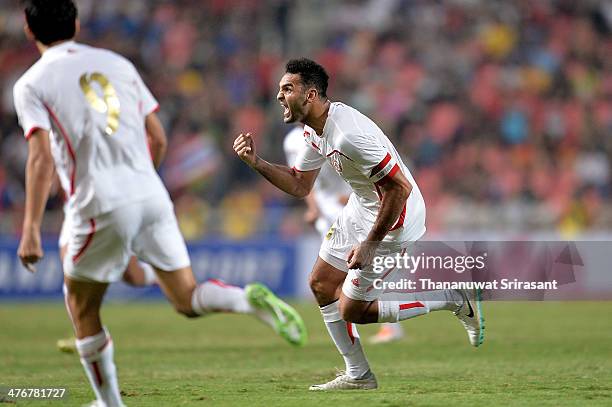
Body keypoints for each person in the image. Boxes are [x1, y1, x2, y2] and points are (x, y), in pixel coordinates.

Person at [14, 2, 306, 406]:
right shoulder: (117, 63)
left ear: (29, 30)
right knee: (186, 298)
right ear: (77, 24)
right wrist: (138, 187)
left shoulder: (31, 83)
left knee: (81, 309)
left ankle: (109, 403)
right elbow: (159, 137)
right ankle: (247, 300)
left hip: (99, 201)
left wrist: (29, 229)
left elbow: (41, 157)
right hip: (151, 194)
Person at [234, 58, 484, 391]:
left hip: (397, 218)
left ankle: (453, 298)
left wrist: (371, 244)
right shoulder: (313, 130)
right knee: (321, 284)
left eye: (287, 89)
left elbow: (400, 188)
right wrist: (256, 162)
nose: (279, 96)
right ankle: (358, 375)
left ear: (310, 95)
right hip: (363, 207)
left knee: (354, 309)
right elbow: (299, 184)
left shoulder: (348, 135)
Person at [284, 125, 404, 344]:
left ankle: (388, 327)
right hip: (327, 213)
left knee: (360, 268)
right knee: (333, 276)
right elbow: (300, 178)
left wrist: (350, 195)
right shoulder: (293, 141)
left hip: (346, 207)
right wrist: (313, 207)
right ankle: (356, 335)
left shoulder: (333, 130)